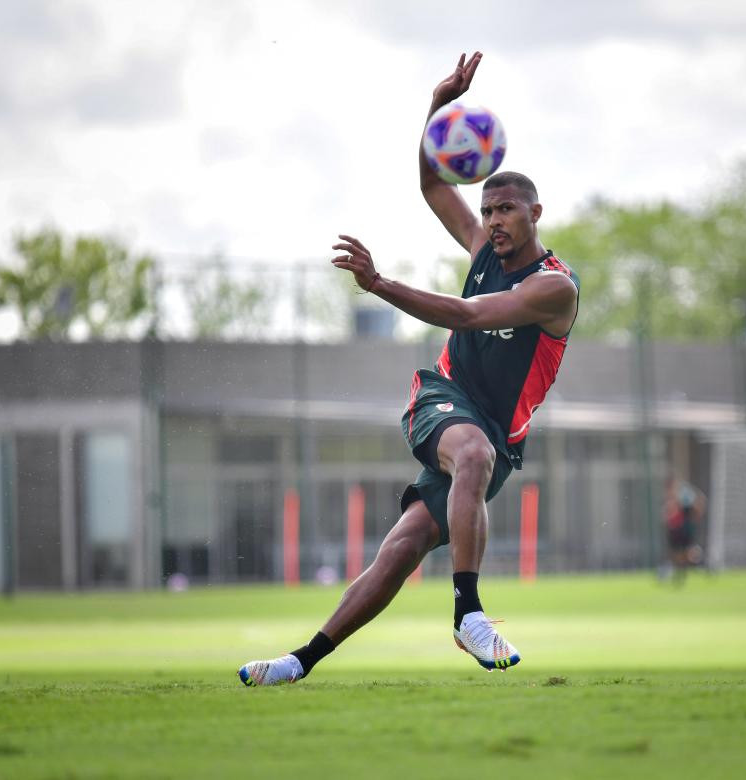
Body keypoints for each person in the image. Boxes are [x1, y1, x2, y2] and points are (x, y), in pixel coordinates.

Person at [239, 52, 580, 685]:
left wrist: (378, 284)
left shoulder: (553, 287)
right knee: (471, 453)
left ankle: (298, 661)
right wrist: (438, 105)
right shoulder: (483, 247)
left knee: (400, 548)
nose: (493, 221)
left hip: (498, 436)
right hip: (442, 399)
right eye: (487, 211)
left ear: (536, 214)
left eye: (506, 209)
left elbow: (468, 313)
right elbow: (431, 186)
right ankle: (469, 614)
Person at [661, 476, 706, 585]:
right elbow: (668, 513)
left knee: (684, 552)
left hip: (683, 528)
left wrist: (695, 515)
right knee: (677, 554)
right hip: (674, 529)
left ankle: (700, 562)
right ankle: (695, 563)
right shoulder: (669, 497)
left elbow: (698, 503)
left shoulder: (684, 494)